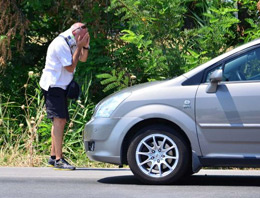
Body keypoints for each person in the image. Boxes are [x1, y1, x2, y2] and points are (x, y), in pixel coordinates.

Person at [39, 22, 90, 170]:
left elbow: (83, 59)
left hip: (62, 86)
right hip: (53, 85)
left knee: (59, 120)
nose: (84, 38)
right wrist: (79, 46)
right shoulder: (60, 43)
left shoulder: (76, 40)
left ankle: (53, 156)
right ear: (75, 32)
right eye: (83, 36)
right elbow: (70, 68)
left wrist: (85, 45)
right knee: (60, 120)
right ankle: (59, 160)